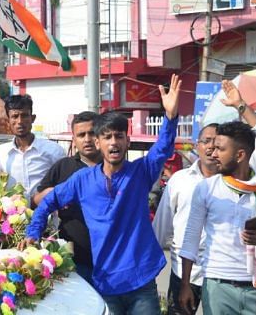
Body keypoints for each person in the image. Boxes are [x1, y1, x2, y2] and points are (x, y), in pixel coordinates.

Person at [25, 74, 182, 315]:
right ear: (98, 143)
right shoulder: (81, 180)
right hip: (104, 282)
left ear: (127, 141)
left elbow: (162, 148)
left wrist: (170, 117)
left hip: (141, 281)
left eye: (119, 136)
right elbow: (48, 201)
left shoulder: (141, 172)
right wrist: (34, 231)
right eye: (107, 137)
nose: (113, 142)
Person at [153, 79, 256, 315]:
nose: (212, 149)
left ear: (238, 153)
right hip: (190, 275)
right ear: (196, 145)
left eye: (218, 144)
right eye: (206, 142)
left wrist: (240, 105)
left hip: (246, 280)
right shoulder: (186, 182)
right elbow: (165, 230)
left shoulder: (254, 178)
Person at [179, 121, 256, 315]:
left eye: (220, 149)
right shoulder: (206, 189)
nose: (214, 154)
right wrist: (185, 284)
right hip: (218, 286)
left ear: (240, 155)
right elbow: (191, 239)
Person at [32, 111, 101, 284]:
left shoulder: (113, 167)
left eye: (91, 133)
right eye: (81, 135)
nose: (87, 139)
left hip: (112, 261)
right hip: (74, 259)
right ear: (74, 139)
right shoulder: (64, 167)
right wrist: (57, 195)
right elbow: (37, 200)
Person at [0, 94, 64, 198]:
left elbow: (64, 184)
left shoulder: (53, 151)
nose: (20, 121)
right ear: (8, 121)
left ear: (32, 118)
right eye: (15, 116)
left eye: (24, 115)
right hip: (12, 212)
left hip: (45, 211)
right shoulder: (0, 153)